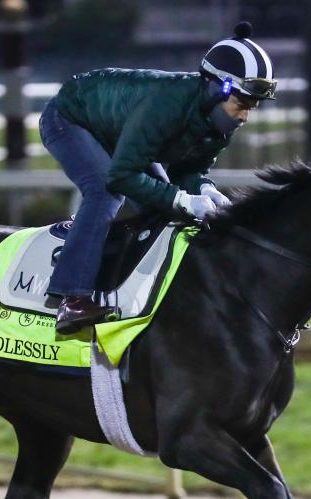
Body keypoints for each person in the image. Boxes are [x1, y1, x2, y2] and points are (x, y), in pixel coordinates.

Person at [40, 21, 277, 334]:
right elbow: (121, 176)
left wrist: (206, 189)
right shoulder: (166, 104)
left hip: (116, 130)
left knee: (161, 207)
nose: (245, 116)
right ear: (217, 89)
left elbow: (189, 171)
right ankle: (73, 297)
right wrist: (182, 198)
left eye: (252, 107)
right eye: (242, 104)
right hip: (70, 119)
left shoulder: (219, 124)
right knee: (105, 192)